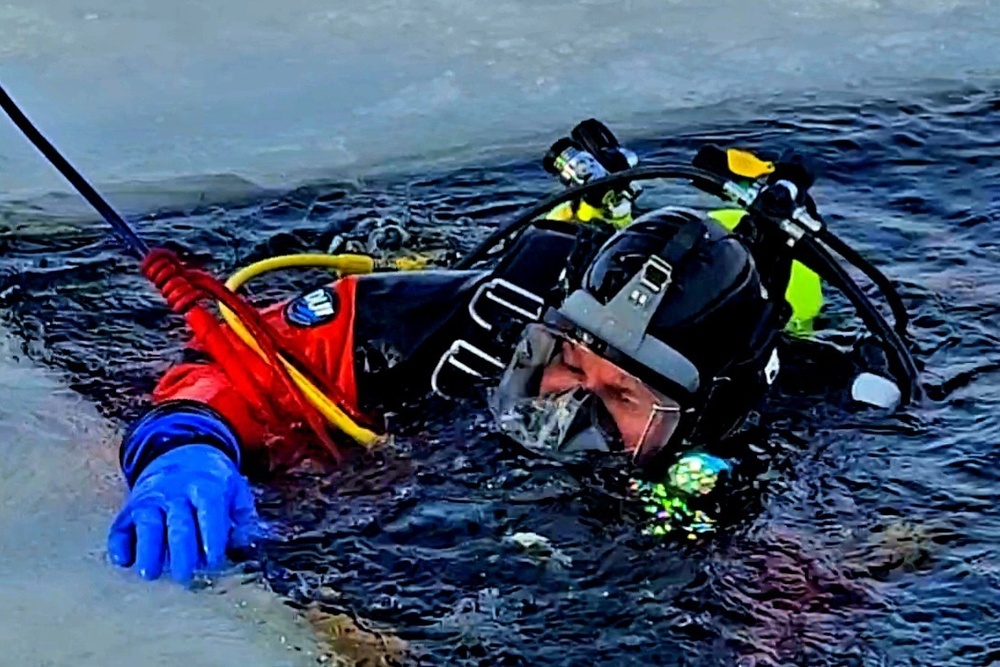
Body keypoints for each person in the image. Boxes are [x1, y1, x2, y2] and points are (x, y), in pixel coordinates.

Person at [107, 120, 915, 584]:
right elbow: (249, 355)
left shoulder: (785, 430)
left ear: (701, 415)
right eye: (565, 364)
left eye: (623, 398)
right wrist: (188, 446)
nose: (566, 409)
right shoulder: (480, 322)